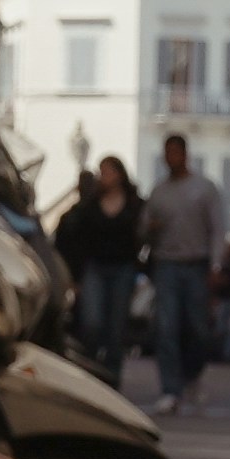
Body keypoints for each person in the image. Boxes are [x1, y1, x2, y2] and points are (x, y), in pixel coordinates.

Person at [140, 134, 229, 412]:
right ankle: (170, 389)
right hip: (166, 263)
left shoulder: (205, 189)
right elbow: (142, 230)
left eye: (176, 152)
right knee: (166, 327)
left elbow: (217, 229)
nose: (171, 158)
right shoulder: (158, 192)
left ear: (185, 154)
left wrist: (216, 265)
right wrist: (149, 229)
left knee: (198, 329)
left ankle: (191, 374)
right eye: (167, 153)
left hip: (197, 264)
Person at [55, 157, 145, 380]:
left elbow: (141, 235)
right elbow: (77, 237)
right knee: (92, 321)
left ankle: (112, 375)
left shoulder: (135, 204)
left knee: (116, 326)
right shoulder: (90, 205)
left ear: (120, 175)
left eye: (107, 172)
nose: (103, 176)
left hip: (122, 268)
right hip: (95, 267)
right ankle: (92, 366)